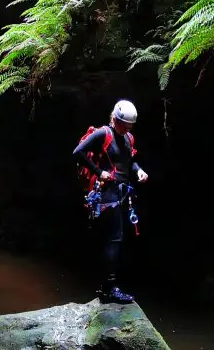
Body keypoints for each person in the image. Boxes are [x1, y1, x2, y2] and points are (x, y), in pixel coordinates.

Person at [72, 99, 148, 303]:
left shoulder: (128, 138)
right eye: (123, 125)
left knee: (119, 238)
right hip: (106, 193)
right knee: (113, 238)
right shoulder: (103, 134)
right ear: (115, 119)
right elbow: (77, 152)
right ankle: (109, 288)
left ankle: (109, 285)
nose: (126, 129)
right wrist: (99, 172)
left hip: (123, 192)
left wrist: (139, 170)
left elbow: (129, 162)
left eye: (129, 126)